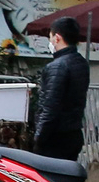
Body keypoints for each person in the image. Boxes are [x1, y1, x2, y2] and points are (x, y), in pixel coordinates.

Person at [33, 16, 90, 161]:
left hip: (55, 137)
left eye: (50, 37)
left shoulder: (57, 66)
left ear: (57, 38)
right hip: (73, 133)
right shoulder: (81, 63)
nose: (50, 41)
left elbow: (50, 106)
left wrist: (38, 137)